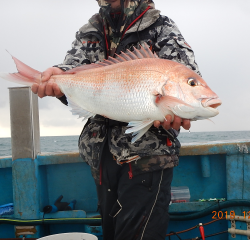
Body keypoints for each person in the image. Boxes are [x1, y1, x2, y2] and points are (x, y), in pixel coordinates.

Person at [31, 0, 201, 239]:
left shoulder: (159, 26)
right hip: (100, 156)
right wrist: (59, 77)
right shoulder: (90, 30)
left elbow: (186, 76)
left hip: (146, 157)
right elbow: (73, 68)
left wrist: (176, 108)